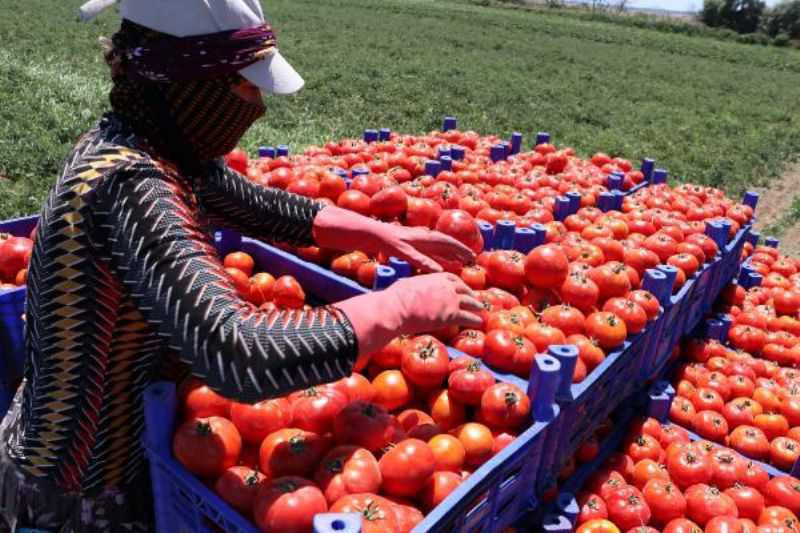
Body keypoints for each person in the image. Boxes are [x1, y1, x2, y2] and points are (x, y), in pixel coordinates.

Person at [0, 0, 483, 530]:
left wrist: (376, 230)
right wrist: (400, 306)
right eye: (246, 87)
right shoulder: (134, 185)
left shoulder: (142, 142)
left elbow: (249, 201)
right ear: (192, 84)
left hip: (105, 445)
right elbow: (237, 352)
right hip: (79, 483)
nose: (257, 108)